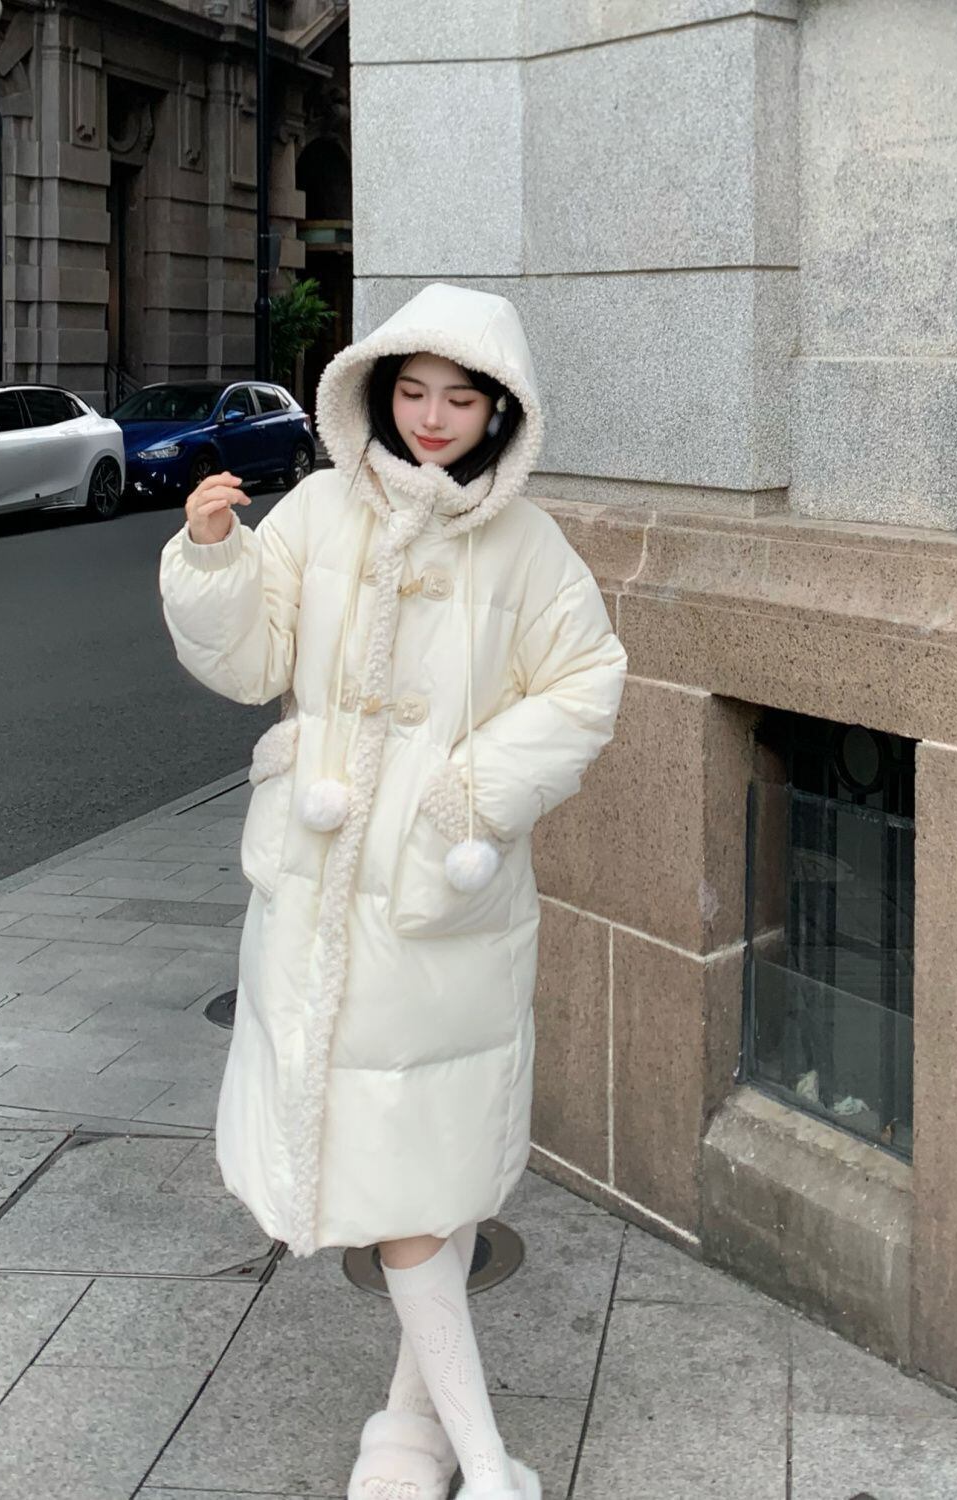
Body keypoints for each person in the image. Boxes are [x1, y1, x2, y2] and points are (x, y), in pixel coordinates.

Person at [159, 283, 628, 1500]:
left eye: (458, 398)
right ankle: (432, 1440)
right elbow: (250, 660)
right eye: (412, 391)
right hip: (319, 888)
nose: (431, 416)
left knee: (433, 1178)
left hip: (443, 898)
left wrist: (466, 797)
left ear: (499, 412)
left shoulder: (529, 547)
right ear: (374, 392)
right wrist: (212, 558)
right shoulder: (320, 512)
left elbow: (587, 681)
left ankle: (464, 1454)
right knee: (416, 1182)